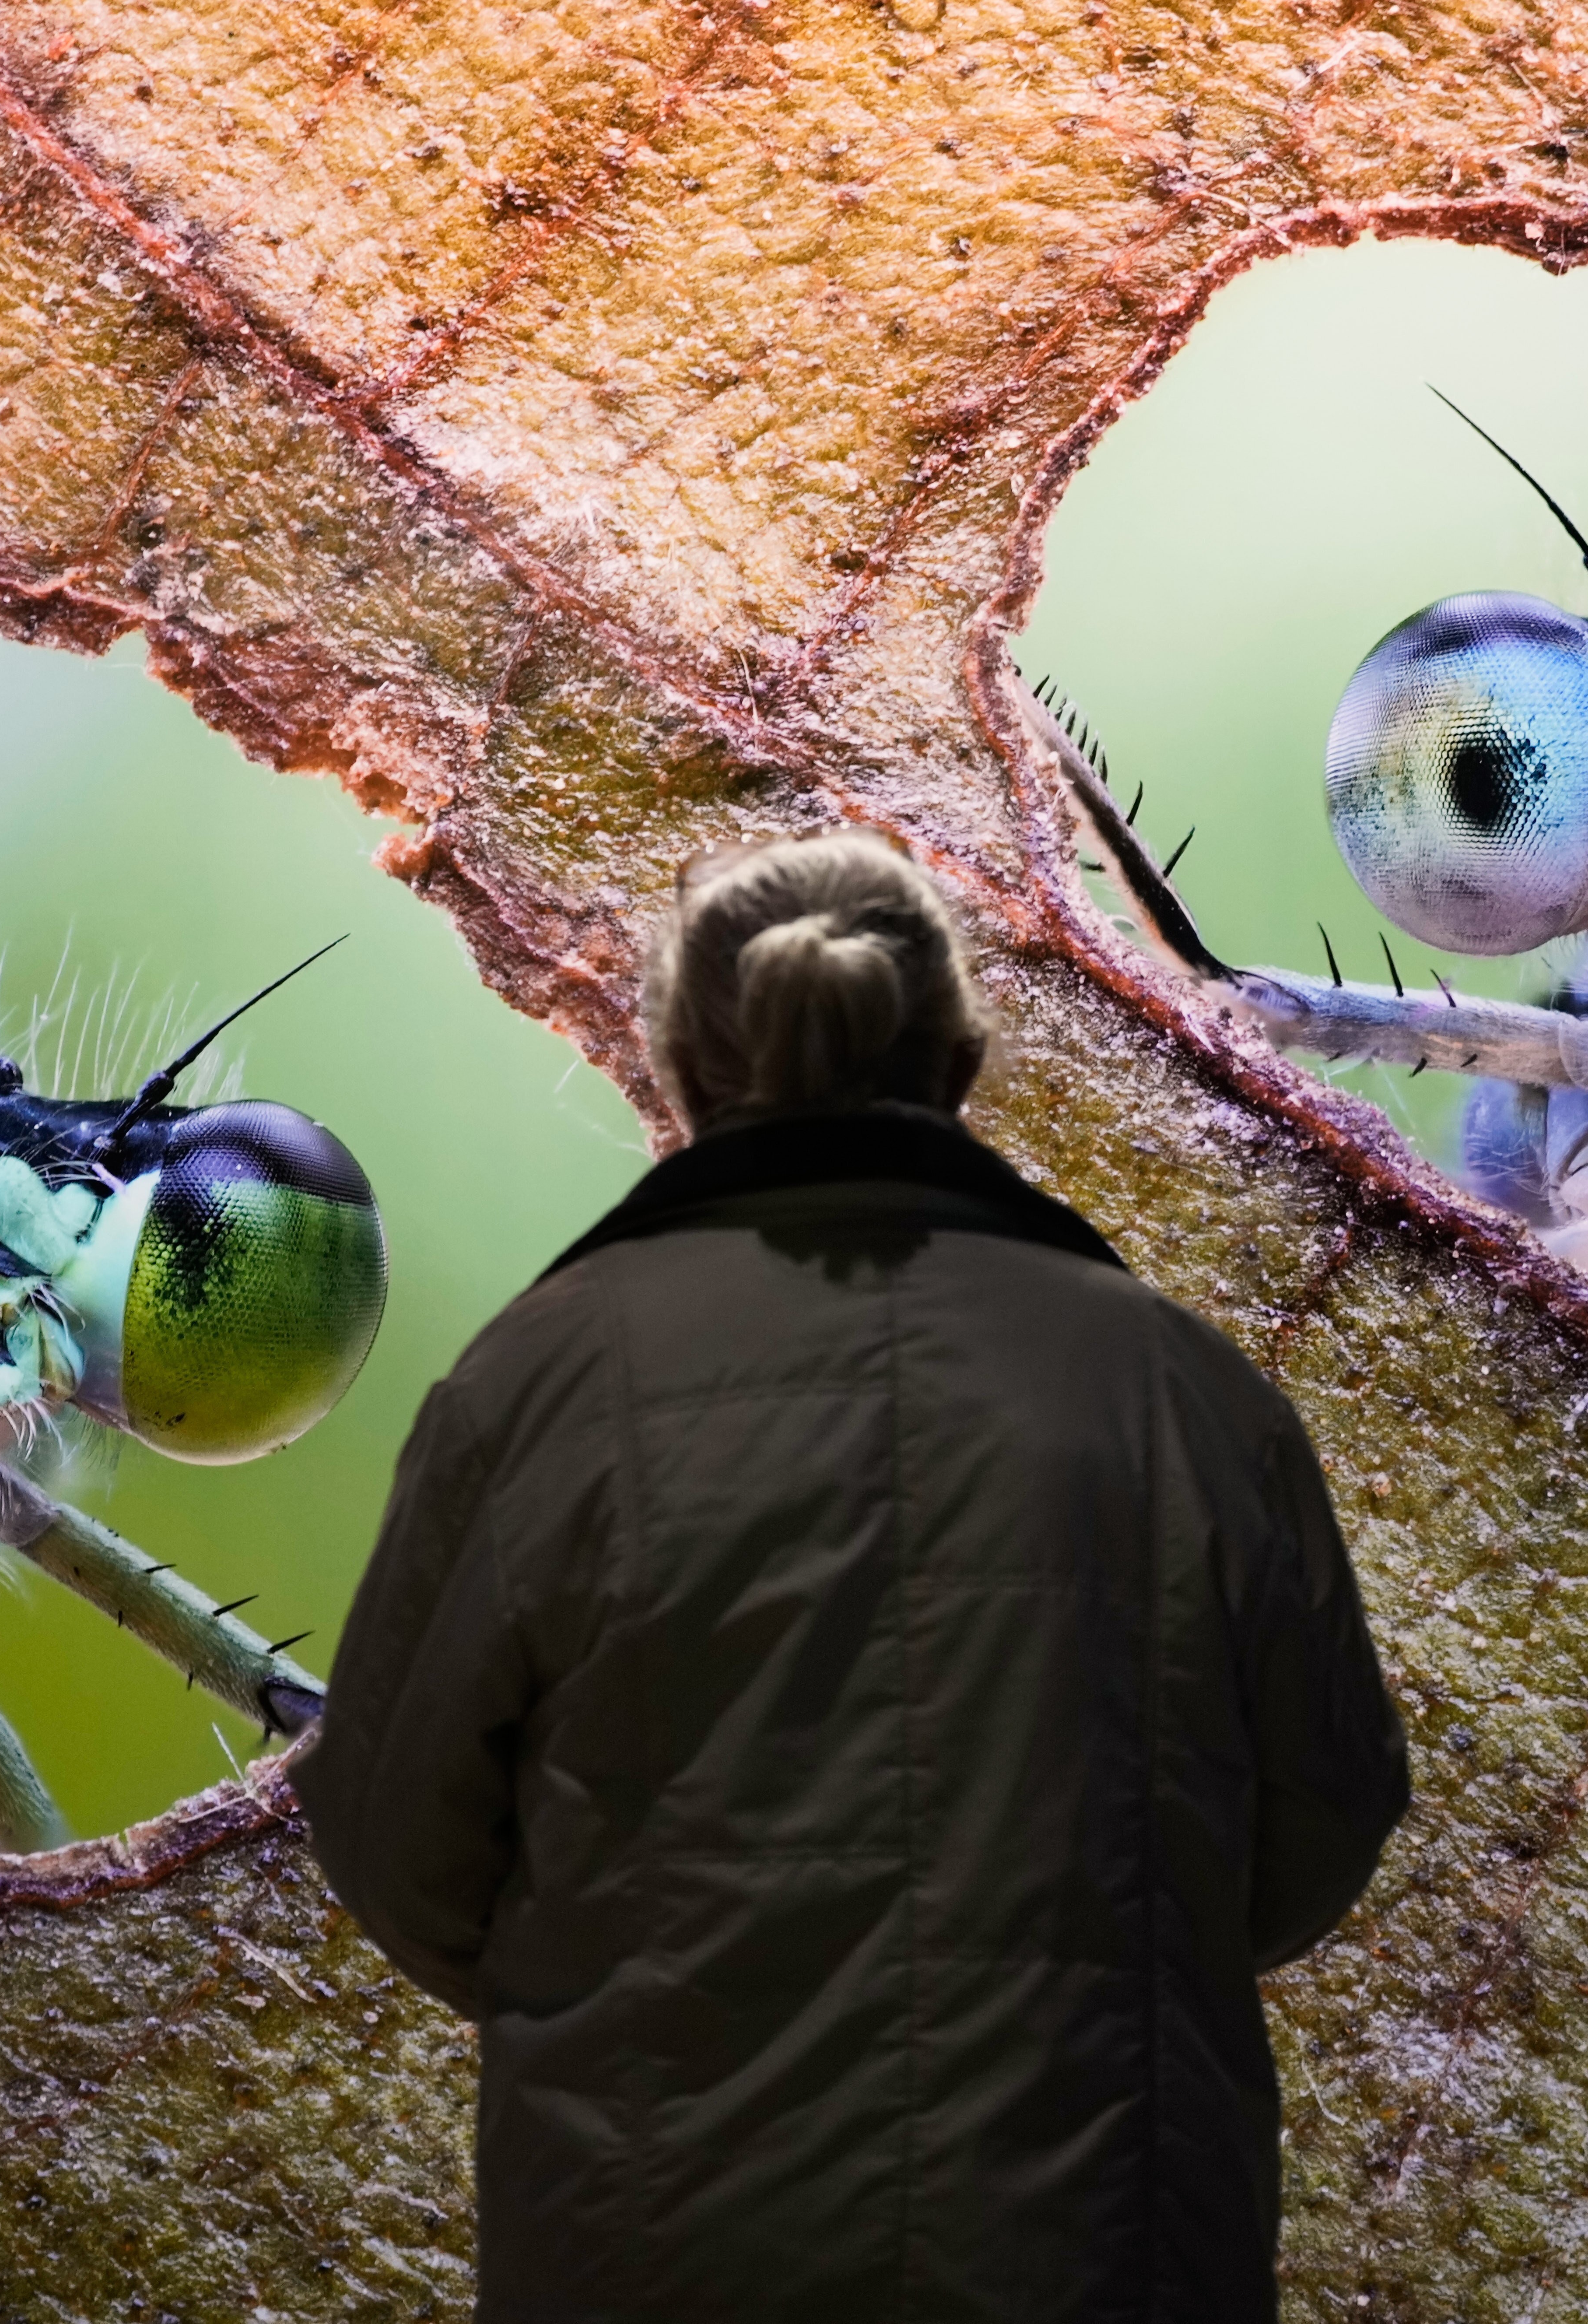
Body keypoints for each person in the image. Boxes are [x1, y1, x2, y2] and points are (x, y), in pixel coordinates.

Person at [291, 829, 1410, 2322]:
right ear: (960, 1057)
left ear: (678, 1063)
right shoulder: (1178, 1385)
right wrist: (1126, 1947)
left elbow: (389, 1834)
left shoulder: (539, 1380)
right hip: (1098, 2249)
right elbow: (1332, 1803)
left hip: (648, 2248)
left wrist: (601, 1986)